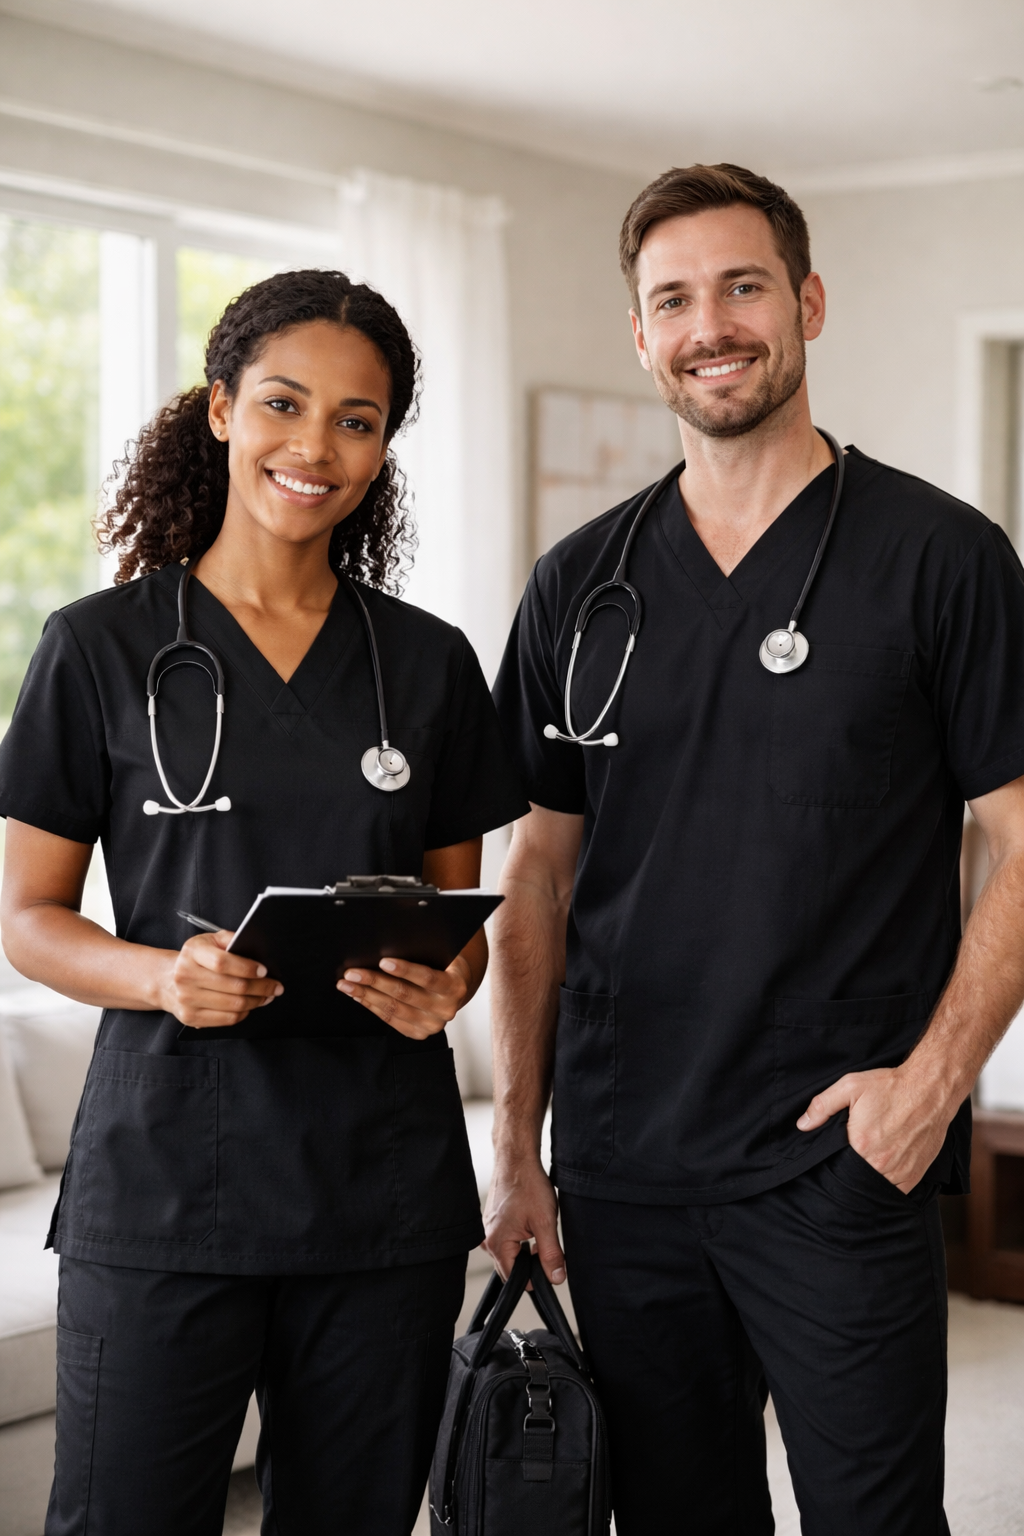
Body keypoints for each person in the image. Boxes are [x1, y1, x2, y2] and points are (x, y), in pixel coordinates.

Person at [484, 163, 1024, 1535]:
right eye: (673, 299)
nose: (709, 323)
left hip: (834, 1159)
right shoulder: (579, 585)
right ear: (640, 333)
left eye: (741, 286)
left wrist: (932, 1088)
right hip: (623, 1163)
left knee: (877, 1519)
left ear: (809, 303)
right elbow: (538, 870)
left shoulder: (939, 558)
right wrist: (521, 1148)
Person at [0, 268, 527, 1536]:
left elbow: (459, 918)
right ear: (222, 408)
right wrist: (159, 975)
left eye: (357, 419)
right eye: (285, 404)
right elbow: (26, 916)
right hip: (168, 1185)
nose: (316, 446)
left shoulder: (427, 663)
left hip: (382, 1192)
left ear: (384, 446)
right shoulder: (98, 647)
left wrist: (438, 986)